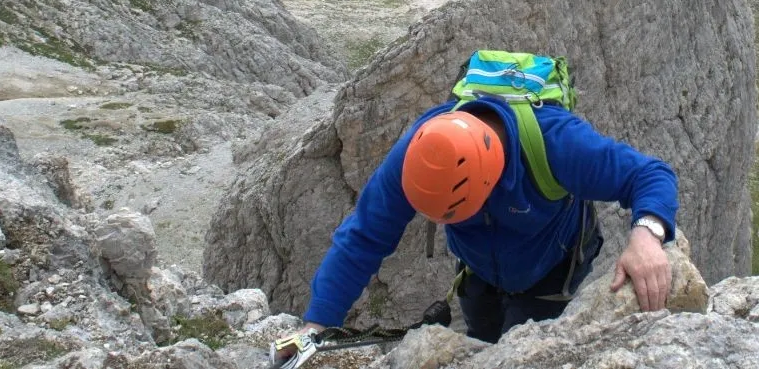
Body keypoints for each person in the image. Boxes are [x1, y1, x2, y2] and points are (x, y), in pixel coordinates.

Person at [290, 93, 679, 348]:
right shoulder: (420, 152)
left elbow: (650, 175)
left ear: (491, 183)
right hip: (477, 270)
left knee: (523, 348)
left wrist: (647, 237)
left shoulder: (558, 143)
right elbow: (363, 238)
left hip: (549, 270)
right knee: (483, 338)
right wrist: (317, 325)